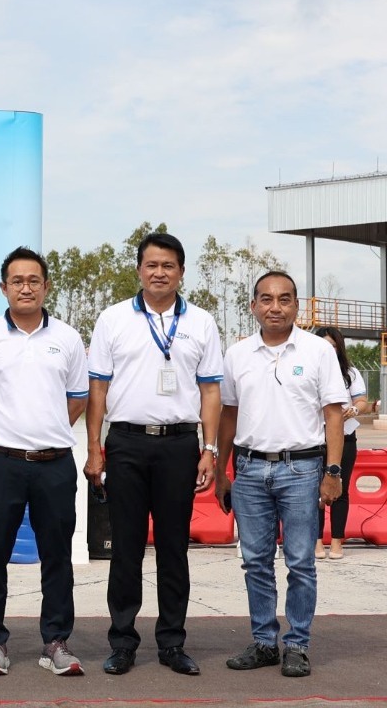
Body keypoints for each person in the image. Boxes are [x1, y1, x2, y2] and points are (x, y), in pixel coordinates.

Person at [84, 232, 223, 677]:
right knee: (125, 547)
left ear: (181, 272)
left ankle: (172, 643)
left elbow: (211, 391)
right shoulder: (113, 319)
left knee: (173, 547)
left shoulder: (201, 322)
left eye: (168, 266)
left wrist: (209, 449)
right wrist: (94, 448)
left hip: (180, 446)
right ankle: (123, 641)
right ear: (139, 270)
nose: (159, 273)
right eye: (151, 265)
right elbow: (98, 388)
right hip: (125, 443)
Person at [0, 247, 89, 677]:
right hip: (2, 463)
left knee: (57, 557)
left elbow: (78, 398)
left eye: (34, 280)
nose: (26, 288)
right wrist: (4, 431)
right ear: (4, 288)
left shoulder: (68, 338)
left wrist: (46, 431)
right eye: (17, 281)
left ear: (46, 286)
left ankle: (55, 642)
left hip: (55, 464)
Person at [215, 271, 346, 678]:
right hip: (249, 469)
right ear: (253, 305)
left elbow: (334, 414)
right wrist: (221, 470)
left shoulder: (317, 351)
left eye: (285, 299)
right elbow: (229, 414)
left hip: (302, 469)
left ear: (296, 306)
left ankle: (297, 645)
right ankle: (264, 642)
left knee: (301, 562)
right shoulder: (237, 354)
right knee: (255, 562)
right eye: (267, 299)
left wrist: (333, 471)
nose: (276, 307)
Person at [312, 326, 368, 560]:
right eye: (325, 344)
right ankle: (316, 542)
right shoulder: (308, 370)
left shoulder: (350, 373)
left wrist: (353, 410)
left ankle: (336, 541)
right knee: (313, 491)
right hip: (314, 438)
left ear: (339, 348)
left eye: (333, 345)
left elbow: (362, 401)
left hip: (345, 436)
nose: (329, 349)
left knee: (340, 488)